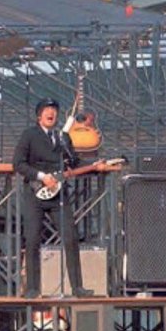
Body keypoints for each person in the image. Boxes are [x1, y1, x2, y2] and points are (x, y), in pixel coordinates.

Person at [13, 98, 105, 298]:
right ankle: (32, 289)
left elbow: (74, 162)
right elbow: (18, 164)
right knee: (32, 239)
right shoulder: (29, 135)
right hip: (35, 192)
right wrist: (41, 177)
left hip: (59, 195)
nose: (51, 113)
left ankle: (78, 287)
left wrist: (95, 166)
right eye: (47, 110)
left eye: (54, 110)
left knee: (71, 238)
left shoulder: (63, 137)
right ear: (39, 115)